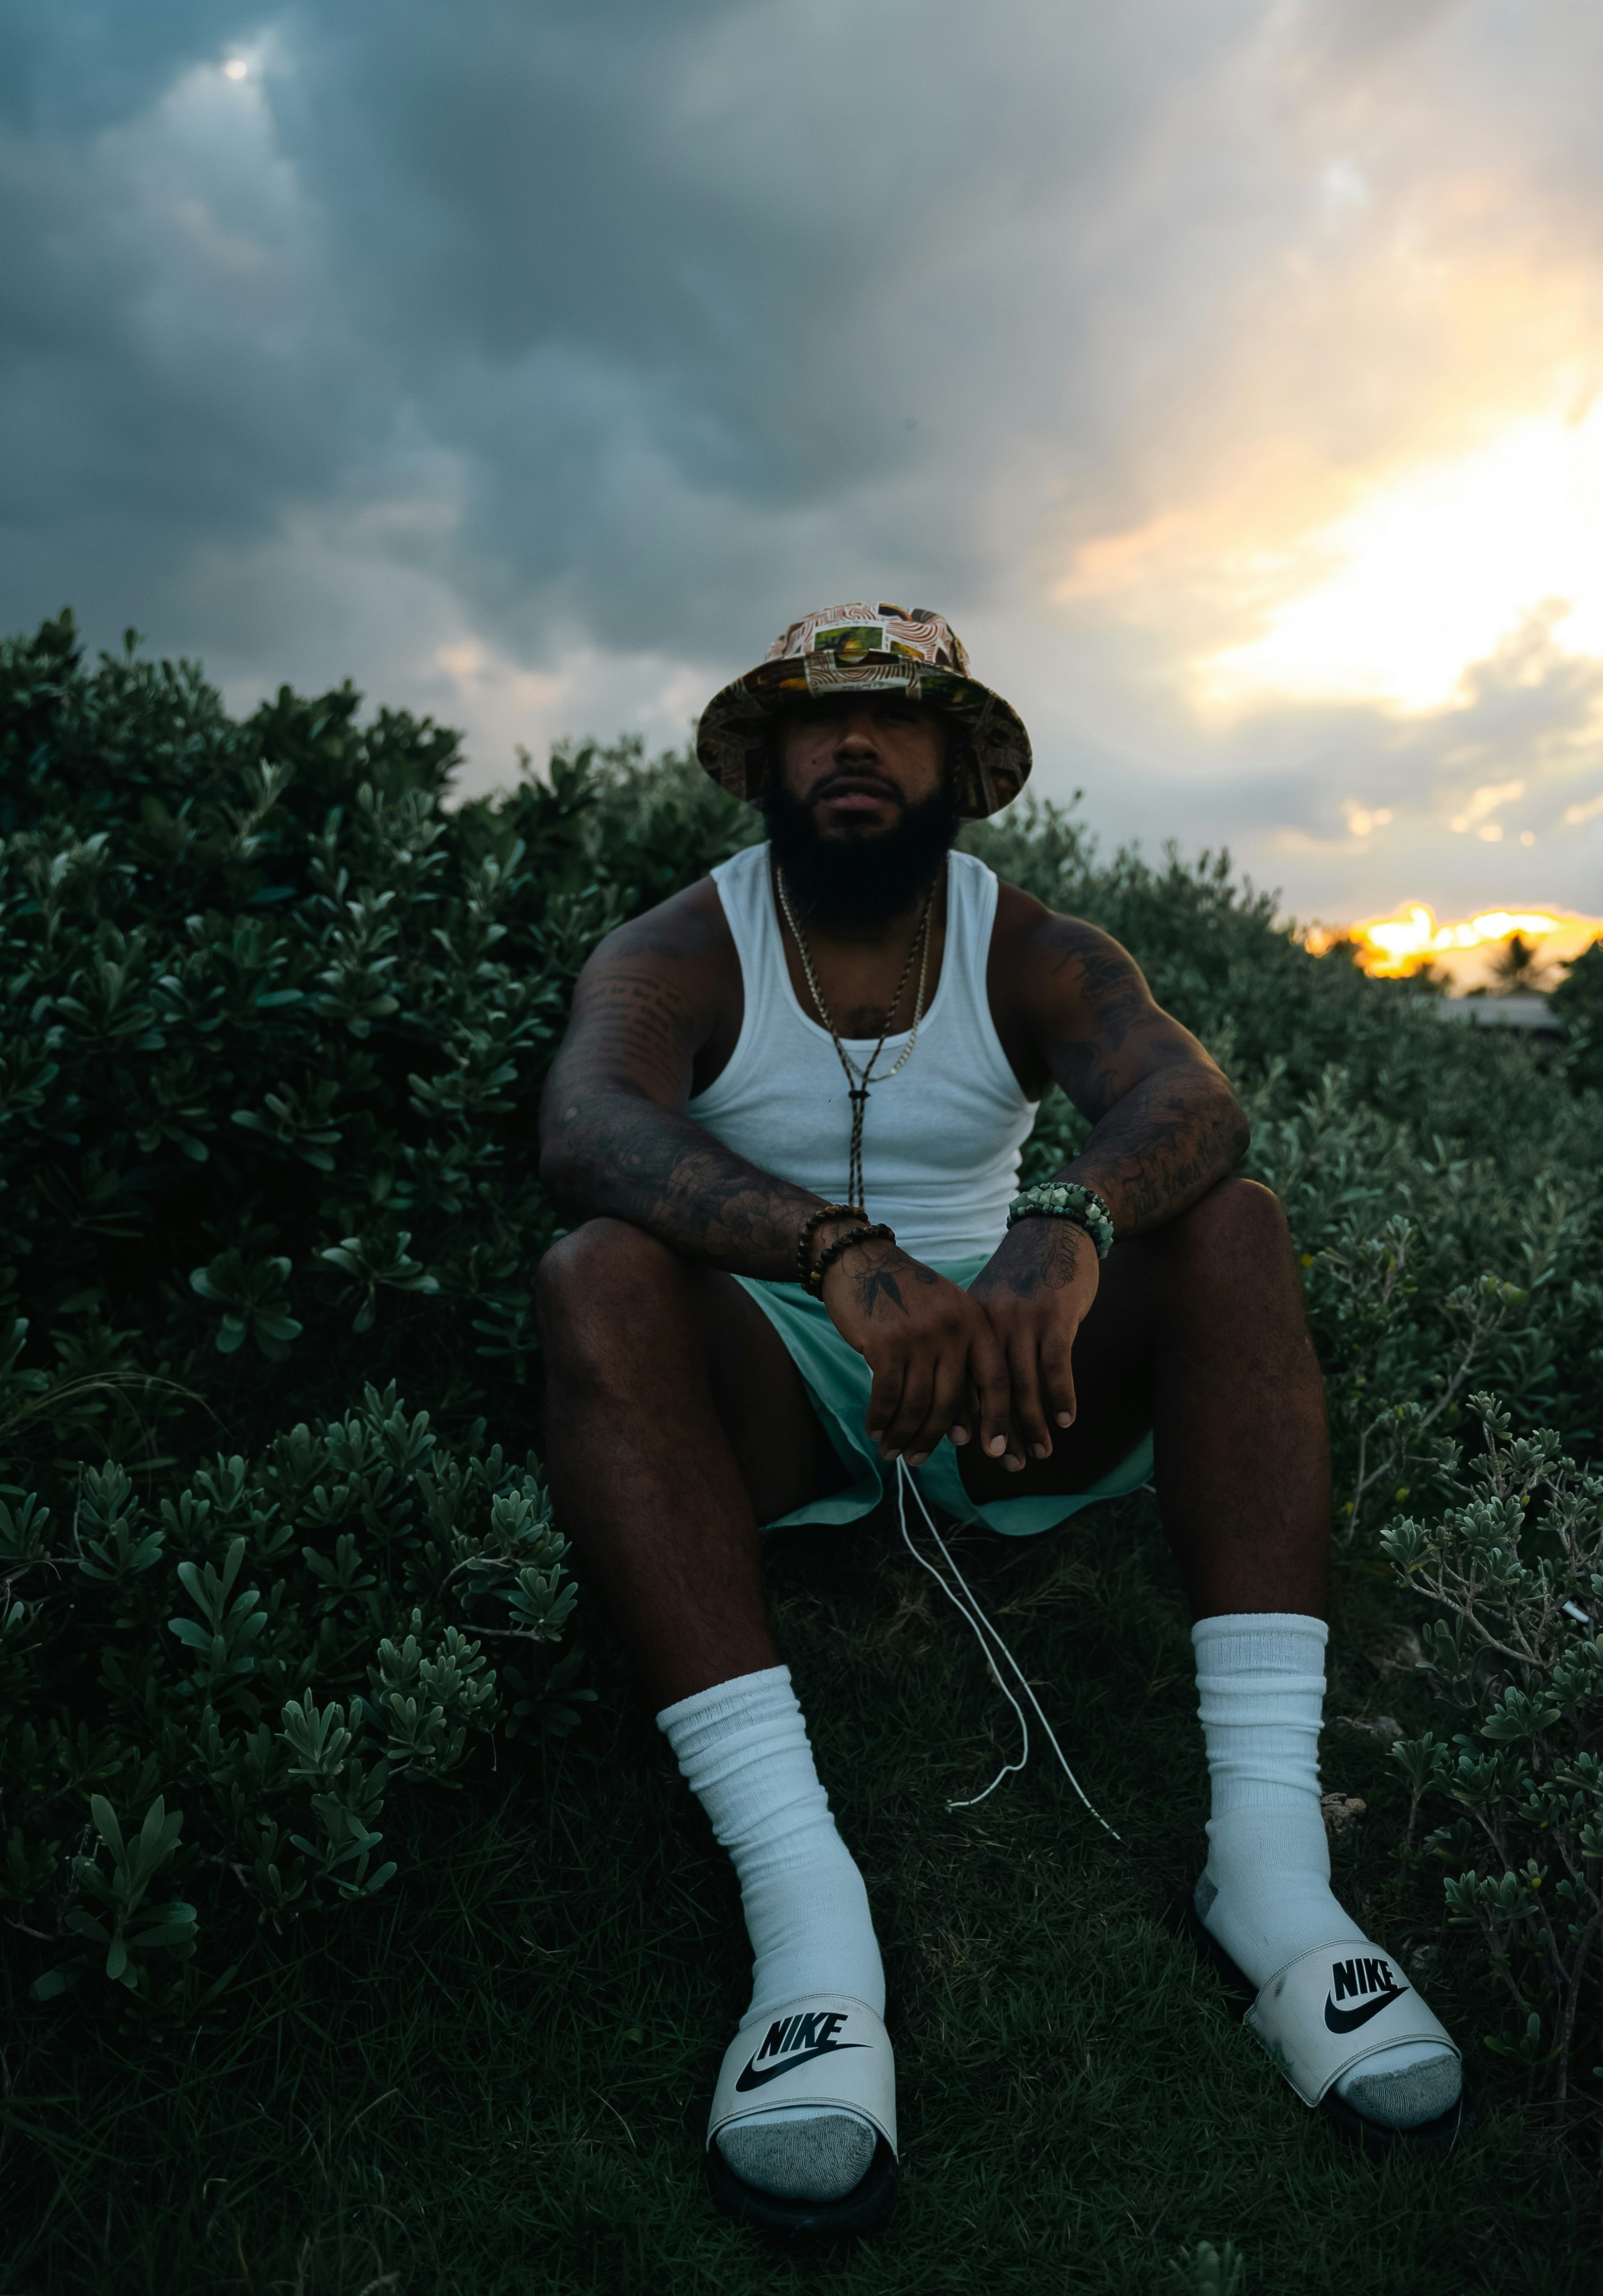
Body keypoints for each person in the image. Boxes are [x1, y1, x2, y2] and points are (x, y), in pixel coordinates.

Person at [535, 601, 1462, 2238]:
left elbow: (1191, 1095)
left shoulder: (1029, 943)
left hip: (1016, 1378)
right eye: (818, 716)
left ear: (962, 763)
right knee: (596, 1275)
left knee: (1234, 1227)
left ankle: (1270, 1868)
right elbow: (592, 1124)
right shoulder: (683, 943)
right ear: (767, 758)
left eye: (899, 714)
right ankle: (807, 1914)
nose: (855, 741)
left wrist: (1068, 1222)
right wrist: (833, 1248)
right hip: (786, 1373)